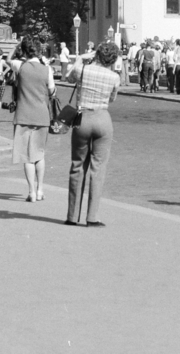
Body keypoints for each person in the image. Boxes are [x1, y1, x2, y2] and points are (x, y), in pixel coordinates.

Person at [65, 40, 120, 226]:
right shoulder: (114, 77)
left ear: (96, 54)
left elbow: (68, 78)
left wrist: (80, 58)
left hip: (83, 118)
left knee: (77, 165)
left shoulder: (83, 70)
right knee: (98, 169)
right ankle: (92, 217)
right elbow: (112, 98)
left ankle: (72, 216)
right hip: (103, 119)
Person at [11, 36, 54, 203]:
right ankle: (40, 189)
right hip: (42, 115)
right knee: (39, 154)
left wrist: (17, 46)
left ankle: (31, 192)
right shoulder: (47, 70)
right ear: (39, 51)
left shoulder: (19, 66)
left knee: (27, 156)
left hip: (23, 115)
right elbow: (52, 92)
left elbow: (8, 59)